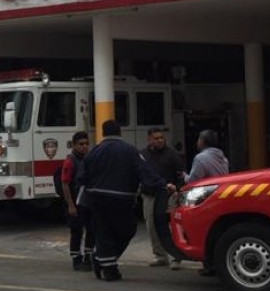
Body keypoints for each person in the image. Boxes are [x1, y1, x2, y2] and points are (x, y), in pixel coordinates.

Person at [77, 119, 175, 282]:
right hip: (121, 199)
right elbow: (144, 172)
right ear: (120, 132)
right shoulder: (129, 151)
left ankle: (103, 260)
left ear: (103, 132)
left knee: (103, 232)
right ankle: (108, 266)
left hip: (96, 198)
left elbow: (81, 177)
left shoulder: (94, 152)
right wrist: (163, 185)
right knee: (127, 229)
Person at [183, 129, 229, 277]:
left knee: (206, 233)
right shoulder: (223, 157)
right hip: (222, 196)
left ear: (203, 142)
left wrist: (184, 176)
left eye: (198, 139)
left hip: (207, 199)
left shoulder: (201, 158)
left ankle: (209, 265)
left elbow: (193, 180)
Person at [140, 128, 185, 270]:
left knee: (169, 226)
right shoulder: (143, 155)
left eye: (162, 138)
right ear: (149, 139)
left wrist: (178, 190)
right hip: (149, 194)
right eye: (156, 138)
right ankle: (160, 255)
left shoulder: (172, 154)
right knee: (151, 226)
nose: (160, 140)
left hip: (168, 194)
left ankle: (176, 256)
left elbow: (180, 175)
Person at [61, 131, 94, 271]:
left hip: (88, 200)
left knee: (92, 229)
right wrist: (71, 205)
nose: (84, 146)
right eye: (81, 144)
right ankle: (76, 259)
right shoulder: (70, 161)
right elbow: (65, 183)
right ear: (74, 145)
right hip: (76, 200)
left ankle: (88, 256)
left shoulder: (89, 158)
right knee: (77, 231)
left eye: (86, 144)